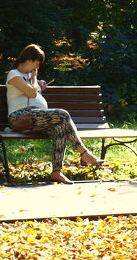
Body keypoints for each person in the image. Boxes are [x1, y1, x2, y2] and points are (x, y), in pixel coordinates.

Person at [6, 43, 104, 184]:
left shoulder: (27, 76)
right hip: (21, 117)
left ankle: (56, 172)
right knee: (62, 114)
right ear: (28, 60)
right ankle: (84, 153)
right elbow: (31, 93)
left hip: (37, 117)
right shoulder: (14, 74)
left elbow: (33, 91)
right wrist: (35, 80)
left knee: (59, 128)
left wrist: (39, 85)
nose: (36, 68)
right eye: (36, 63)